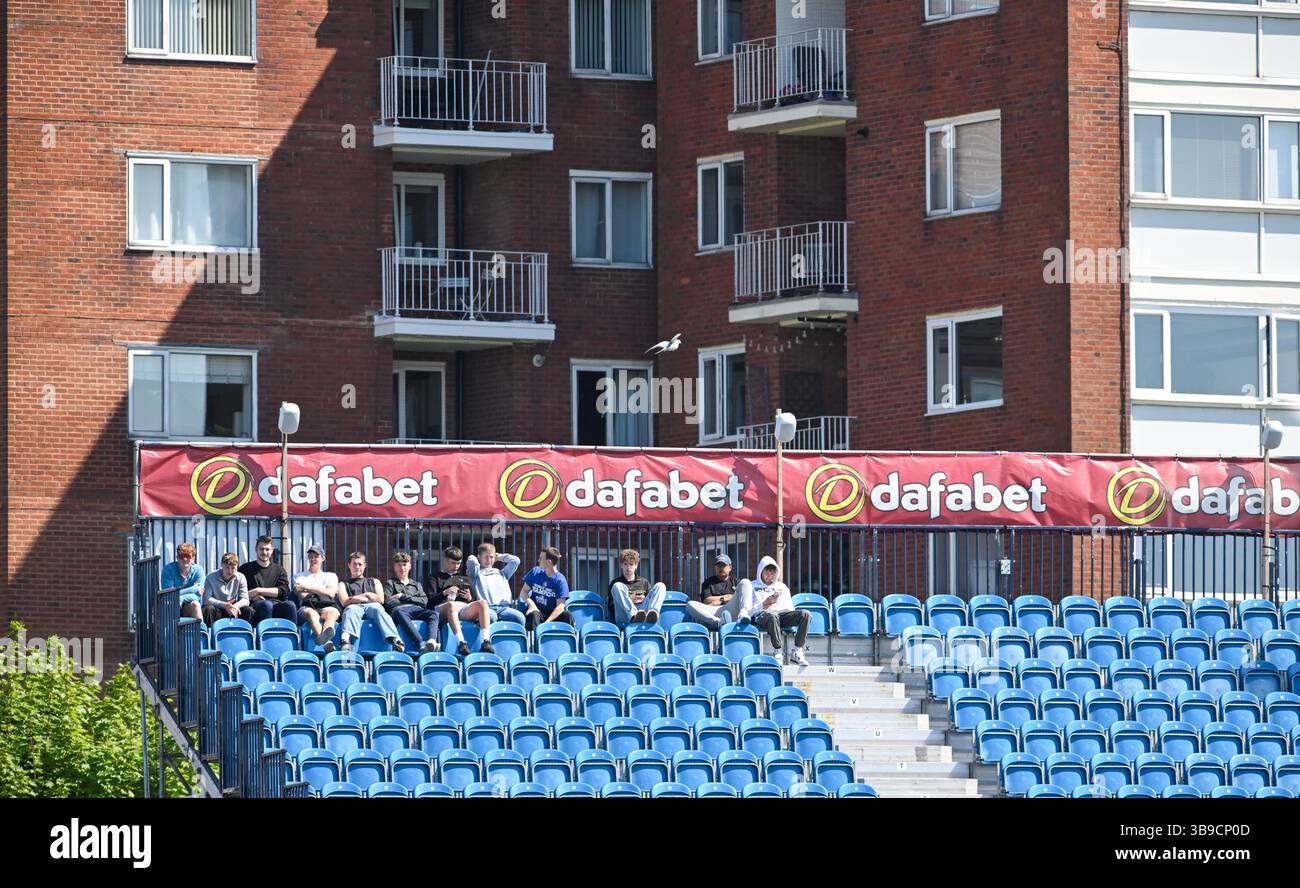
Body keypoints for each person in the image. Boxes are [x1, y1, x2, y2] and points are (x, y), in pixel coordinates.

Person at [427, 546, 495, 657]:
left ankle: (486, 641)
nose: (456, 567)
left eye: (458, 563)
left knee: (482, 603)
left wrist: (470, 598)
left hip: (462, 608)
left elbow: (473, 600)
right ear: (445, 561)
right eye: (453, 563)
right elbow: (429, 601)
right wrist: (444, 593)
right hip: (442, 609)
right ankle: (461, 642)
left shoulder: (464, 577)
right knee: (451, 605)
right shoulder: (434, 577)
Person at [744, 555, 810, 666]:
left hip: (781, 615)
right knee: (772, 615)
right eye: (766, 572)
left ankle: (797, 650)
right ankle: (778, 651)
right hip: (762, 615)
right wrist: (764, 604)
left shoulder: (782, 587)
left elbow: (790, 608)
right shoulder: (751, 585)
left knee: (805, 614)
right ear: (761, 571)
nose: (769, 575)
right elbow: (748, 611)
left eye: (772, 572)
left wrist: (778, 604)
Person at [338, 552, 404, 653]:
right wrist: (367, 595)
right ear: (349, 565)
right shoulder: (343, 584)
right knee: (351, 609)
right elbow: (345, 602)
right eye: (354, 564)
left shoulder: (374, 581)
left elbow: (380, 599)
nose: (357, 567)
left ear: (364, 565)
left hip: (372, 607)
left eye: (360, 564)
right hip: (354, 608)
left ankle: (396, 640)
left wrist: (355, 598)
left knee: (376, 608)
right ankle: (345, 641)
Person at [385, 550, 440, 653]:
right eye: (399, 565)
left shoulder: (416, 584)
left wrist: (402, 596)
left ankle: (432, 641)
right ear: (394, 567)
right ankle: (421, 643)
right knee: (399, 611)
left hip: (416, 610)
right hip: (400, 612)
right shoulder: (390, 583)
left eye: (404, 565)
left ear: (410, 566)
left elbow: (424, 601)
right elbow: (388, 602)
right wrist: (414, 600)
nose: (402, 568)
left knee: (434, 614)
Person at [293, 543, 342, 652]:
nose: (313, 559)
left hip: (327, 606)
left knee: (332, 613)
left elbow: (331, 593)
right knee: (312, 613)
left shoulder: (331, 575)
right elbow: (303, 596)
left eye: (316, 556)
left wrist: (306, 586)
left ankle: (326, 642)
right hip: (308, 606)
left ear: (323, 558)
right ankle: (327, 642)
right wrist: (322, 591)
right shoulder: (298, 576)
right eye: (311, 556)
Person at [686, 553, 752, 631]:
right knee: (690, 605)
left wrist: (716, 600)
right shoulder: (708, 582)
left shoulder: (736, 582)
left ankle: (743, 614)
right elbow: (707, 601)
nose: (721, 568)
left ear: (730, 567)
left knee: (746, 582)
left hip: (731, 609)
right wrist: (725, 598)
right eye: (718, 566)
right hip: (715, 612)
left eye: (723, 565)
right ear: (715, 568)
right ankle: (719, 622)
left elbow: (741, 598)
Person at [239, 536, 295, 626]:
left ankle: (292, 637)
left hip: (276, 604)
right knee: (266, 605)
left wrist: (258, 590)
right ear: (256, 549)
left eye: (267, 549)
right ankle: (264, 638)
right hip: (254, 605)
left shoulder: (279, 570)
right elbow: (239, 593)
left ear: (272, 550)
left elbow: (283, 591)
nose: (264, 552)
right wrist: (252, 596)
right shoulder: (245, 569)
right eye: (261, 549)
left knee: (290, 605)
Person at [466, 542, 525, 627]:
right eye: (486, 557)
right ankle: (487, 639)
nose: (489, 560)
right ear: (479, 557)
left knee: (520, 618)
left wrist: (499, 556)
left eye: (491, 557)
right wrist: (478, 558)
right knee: (491, 618)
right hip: (486, 608)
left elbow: (515, 561)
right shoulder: (476, 573)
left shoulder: (503, 573)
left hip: (504, 608)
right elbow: (471, 560)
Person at [518, 547, 574, 630]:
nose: (538, 560)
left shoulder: (560, 580)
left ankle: (565, 641)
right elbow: (523, 592)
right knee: (534, 614)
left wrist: (546, 624)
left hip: (552, 614)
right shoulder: (535, 572)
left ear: (549, 562)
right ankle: (535, 641)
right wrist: (532, 605)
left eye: (541, 558)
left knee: (567, 615)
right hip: (537, 611)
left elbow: (560, 606)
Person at [609, 548, 667, 626]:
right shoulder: (615, 583)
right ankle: (633, 616)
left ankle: (653, 613)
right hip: (624, 616)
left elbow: (651, 599)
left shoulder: (644, 582)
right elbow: (611, 606)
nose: (628, 568)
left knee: (660, 585)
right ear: (621, 565)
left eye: (631, 564)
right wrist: (629, 599)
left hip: (642, 614)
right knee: (617, 585)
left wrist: (643, 599)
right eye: (625, 564)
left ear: (636, 565)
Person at [201, 552, 253, 627]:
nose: (230, 571)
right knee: (208, 608)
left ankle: (246, 634)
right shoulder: (210, 577)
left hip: (233, 608)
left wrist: (236, 606)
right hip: (217, 608)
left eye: (233, 568)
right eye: (227, 567)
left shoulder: (241, 577)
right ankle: (210, 634)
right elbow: (206, 599)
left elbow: (245, 599)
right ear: (221, 565)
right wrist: (224, 605)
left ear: (237, 567)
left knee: (248, 610)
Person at [163, 543, 207, 621]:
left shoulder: (199, 570)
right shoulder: (168, 570)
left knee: (195, 604)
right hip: (170, 604)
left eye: (188, 556)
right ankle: (170, 632)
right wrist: (193, 589)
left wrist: (181, 598)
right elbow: (169, 595)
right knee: (169, 604)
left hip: (188, 605)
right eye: (182, 556)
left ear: (193, 558)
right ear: (177, 557)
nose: (185, 559)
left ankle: (200, 632)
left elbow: (198, 596)